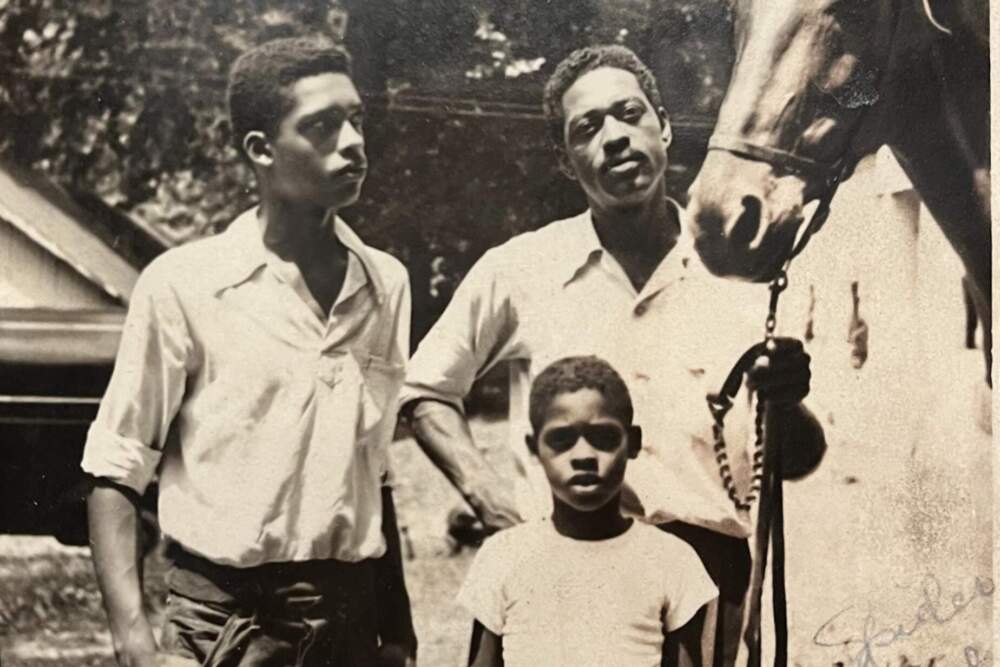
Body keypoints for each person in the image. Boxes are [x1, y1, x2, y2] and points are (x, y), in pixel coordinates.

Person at [401, 45, 826, 664]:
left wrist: (786, 401)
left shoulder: (740, 275)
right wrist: (494, 504)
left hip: (706, 588)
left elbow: (800, 459)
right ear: (565, 159)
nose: (616, 137)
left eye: (630, 114)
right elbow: (425, 391)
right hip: (565, 579)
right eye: (588, 128)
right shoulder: (521, 268)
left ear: (664, 126)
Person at [83, 36, 416, 666]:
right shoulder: (185, 284)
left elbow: (374, 473)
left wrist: (398, 633)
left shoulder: (385, 284)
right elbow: (116, 470)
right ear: (261, 150)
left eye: (356, 119)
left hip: (348, 625)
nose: (352, 142)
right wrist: (133, 638)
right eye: (322, 126)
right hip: (220, 626)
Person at [458, 356, 718, 666]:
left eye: (603, 438)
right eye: (561, 440)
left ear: (633, 443)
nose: (583, 455)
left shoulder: (670, 559)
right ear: (533, 447)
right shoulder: (504, 556)